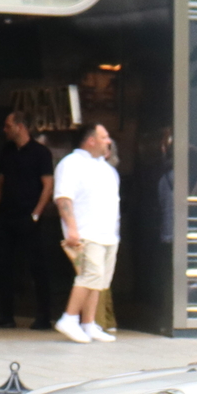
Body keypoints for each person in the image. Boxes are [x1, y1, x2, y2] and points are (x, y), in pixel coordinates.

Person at [0, 110, 58, 329]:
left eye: (8, 125)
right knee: (3, 265)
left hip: (29, 216)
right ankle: (6, 315)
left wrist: (36, 214)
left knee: (37, 267)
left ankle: (44, 316)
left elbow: (48, 185)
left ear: (20, 126)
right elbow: (0, 181)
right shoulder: (7, 150)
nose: (5, 129)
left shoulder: (40, 153)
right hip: (7, 215)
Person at [53, 123, 121, 343]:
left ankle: (88, 323)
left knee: (99, 280)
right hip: (86, 232)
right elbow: (64, 197)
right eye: (104, 137)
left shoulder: (107, 169)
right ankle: (69, 318)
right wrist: (72, 228)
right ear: (90, 140)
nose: (108, 141)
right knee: (89, 276)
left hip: (108, 233)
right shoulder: (71, 164)